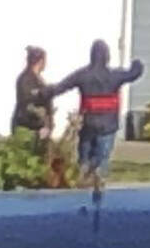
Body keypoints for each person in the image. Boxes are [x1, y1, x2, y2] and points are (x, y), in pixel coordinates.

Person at [47, 40, 144, 183]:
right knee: (102, 160)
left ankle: (82, 179)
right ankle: (97, 182)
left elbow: (61, 87)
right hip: (108, 126)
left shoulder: (82, 75)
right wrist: (137, 64)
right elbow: (133, 74)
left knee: (84, 160)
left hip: (88, 125)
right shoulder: (114, 75)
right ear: (107, 56)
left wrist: (44, 93)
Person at [10, 46, 53, 147]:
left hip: (39, 129)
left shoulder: (39, 80)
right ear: (40, 61)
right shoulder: (25, 79)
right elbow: (26, 103)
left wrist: (48, 124)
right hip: (26, 128)